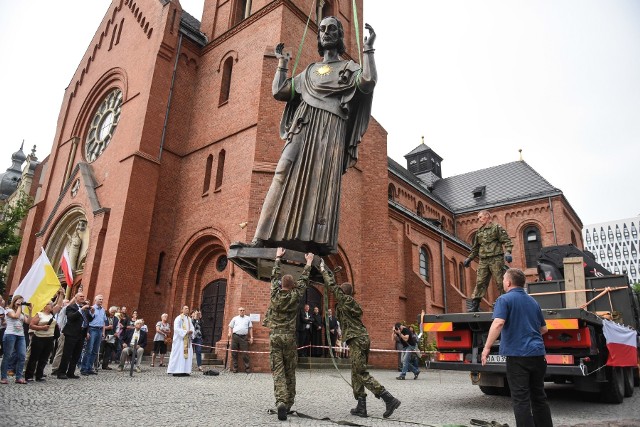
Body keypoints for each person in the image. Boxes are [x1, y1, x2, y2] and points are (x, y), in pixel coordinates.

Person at [243, 17, 377, 256]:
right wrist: (282, 64)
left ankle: (312, 240)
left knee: (321, 181)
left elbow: (367, 82)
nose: (326, 32)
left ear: (340, 36)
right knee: (282, 170)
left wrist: (368, 50)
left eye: (332, 29)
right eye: (322, 29)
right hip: (304, 125)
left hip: (330, 129)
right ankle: (261, 237)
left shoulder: (349, 68)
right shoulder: (309, 72)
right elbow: (279, 91)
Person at [320, 260, 400, 418]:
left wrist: (323, 270)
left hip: (357, 339)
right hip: (360, 338)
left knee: (360, 372)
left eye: (339, 294)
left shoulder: (346, 301)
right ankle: (361, 406)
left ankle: (388, 398)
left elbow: (333, 287)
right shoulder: (348, 304)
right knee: (355, 372)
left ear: (343, 294)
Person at [481, 268, 553, 427]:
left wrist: (486, 348)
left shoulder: (504, 300)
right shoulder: (533, 301)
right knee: (539, 397)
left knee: (521, 399)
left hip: (518, 356)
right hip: (538, 355)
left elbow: (498, 323)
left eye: (504, 280)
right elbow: (544, 329)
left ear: (508, 282)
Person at [266, 247, 313, 421]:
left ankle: (281, 402)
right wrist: (308, 262)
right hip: (290, 338)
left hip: (275, 337)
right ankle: (289, 402)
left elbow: (274, 277)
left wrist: (278, 258)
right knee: (290, 371)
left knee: (278, 371)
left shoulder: (275, 295)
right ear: (292, 286)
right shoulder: (296, 295)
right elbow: (304, 280)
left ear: (280, 286)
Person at [464, 210, 514, 312]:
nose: (479, 220)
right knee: (480, 282)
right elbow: (475, 249)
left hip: (496, 259)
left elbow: (507, 241)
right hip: (483, 260)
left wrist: (508, 252)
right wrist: (469, 258)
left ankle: (506, 303)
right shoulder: (479, 232)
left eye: (480, 217)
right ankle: (475, 305)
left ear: (487, 216)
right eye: (478, 218)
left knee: (500, 282)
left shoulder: (496, 228)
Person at [25, 292, 64, 381]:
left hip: (49, 339)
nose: (51, 306)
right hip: (39, 338)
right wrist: (42, 327)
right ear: (45, 306)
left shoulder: (51, 314)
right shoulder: (39, 314)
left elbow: (59, 305)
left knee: (44, 358)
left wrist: (61, 294)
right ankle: (29, 375)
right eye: (50, 304)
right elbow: (31, 325)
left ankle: (39, 375)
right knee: (34, 357)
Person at [57, 291, 93, 380]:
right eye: (80, 296)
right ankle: (61, 372)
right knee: (67, 354)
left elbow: (90, 319)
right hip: (71, 333)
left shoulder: (85, 308)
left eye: (83, 296)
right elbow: (71, 317)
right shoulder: (71, 307)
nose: (82, 297)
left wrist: (92, 312)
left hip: (81, 334)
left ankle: (71, 372)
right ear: (76, 298)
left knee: (76, 354)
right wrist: (81, 310)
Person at [0, 295, 31, 384]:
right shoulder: (8, 310)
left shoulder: (21, 313)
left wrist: (30, 310)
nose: (21, 303)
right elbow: (15, 316)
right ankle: (3, 377)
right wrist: (20, 307)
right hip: (10, 334)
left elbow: (28, 322)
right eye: (19, 301)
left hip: (20, 335)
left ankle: (19, 377)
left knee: (22, 355)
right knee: (7, 356)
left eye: (22, 301)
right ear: (14, 301)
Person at [80, 294, 107, 375]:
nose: (101, 301)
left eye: (102, 299)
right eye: (99, 299)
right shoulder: (91, 308)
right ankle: (84, 368)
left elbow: (103, 322)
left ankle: (89, 368)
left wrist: (103, 332)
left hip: (99, 330)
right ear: (95, 300)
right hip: (92, 329)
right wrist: (87, 332)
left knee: (95, 351)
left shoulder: (103, 310)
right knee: (89, 349)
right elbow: (87, 321)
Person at [167, 305, 194, 376]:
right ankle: (176, 371)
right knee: (179, 355)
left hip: (187, 340)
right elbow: (176, 328)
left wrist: (191, 331)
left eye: (188, 308)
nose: (187, 310)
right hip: (180, 341)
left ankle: (185, 370)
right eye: (185, 308)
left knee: (187, 355)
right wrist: (185, 332)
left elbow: (192, 327)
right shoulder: (178, 318)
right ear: (182, 310)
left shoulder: (189, 319)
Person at [50, 296, 73, 375]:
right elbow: (69, 304)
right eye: (66, 303)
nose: (68, 304)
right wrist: (75, 298)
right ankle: (55, 368)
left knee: (64, 351)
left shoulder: (67, 311)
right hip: (62, 333)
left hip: (67, 333)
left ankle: (59, 367)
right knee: (60, 351)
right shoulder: (63, 310)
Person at [227, 306, 253, 373]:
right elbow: (230, 326)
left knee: (245, 353)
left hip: (244, 337)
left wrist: (251, 337)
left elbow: (250, 328)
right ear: (238, 311)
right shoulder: (235, 318)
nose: (242, 311)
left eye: (243, 310)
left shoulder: (248, 318)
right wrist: (229, 332)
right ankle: (235, 368)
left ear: (244, 311)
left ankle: (247, 368)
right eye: (240, 310)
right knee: (234, 352)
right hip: (235, 336)